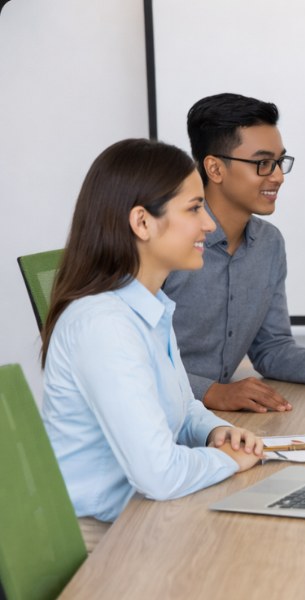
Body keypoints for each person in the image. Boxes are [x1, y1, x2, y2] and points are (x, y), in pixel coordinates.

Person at [41, 139, 264, 552]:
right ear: (142, 223)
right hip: (98, 542)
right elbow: (158, 474)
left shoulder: (149, 309)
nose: (209, 225)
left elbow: (181, 405)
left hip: (145, 517)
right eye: (195, 208)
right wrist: (226, 461)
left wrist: (216, 431)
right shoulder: (105, 326)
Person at [162, 93, 305, 414]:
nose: (278, 176)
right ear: (215, 169)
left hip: (217, 420)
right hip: (156, 420)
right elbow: (128, 361)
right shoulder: (166, 242)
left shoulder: (269, 243)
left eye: (279, 161)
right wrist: (212, 392)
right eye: (262, 163)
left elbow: (271, 348)